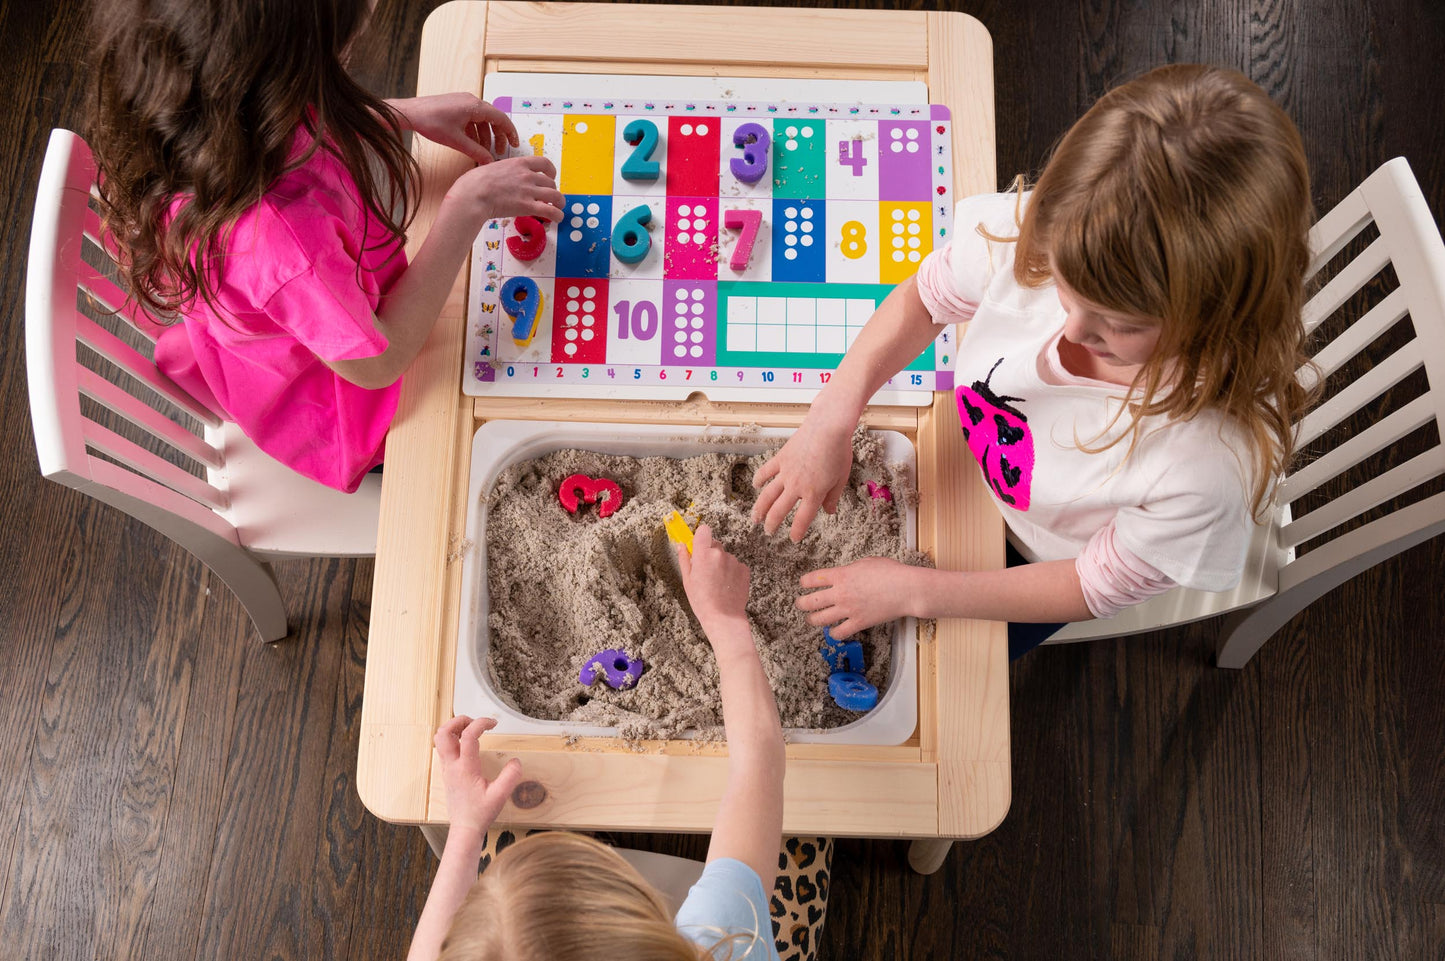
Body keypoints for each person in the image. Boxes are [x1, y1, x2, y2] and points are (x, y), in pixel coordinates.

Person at [750, 64, 1316, 657]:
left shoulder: (1209, 467)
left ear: (1215, 319)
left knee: (964, 693)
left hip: (1043, 560)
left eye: (1118, 326)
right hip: (968, 466)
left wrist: (913, 590)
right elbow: (925, 297)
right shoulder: (1061, 230)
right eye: (1064, 290)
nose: (1070, 331)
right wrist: (832, 413)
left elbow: (1089, 585)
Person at [86, 0, 563, 491]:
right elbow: (380, 363)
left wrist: (398, 115)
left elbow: (297, 124)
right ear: (284, 68)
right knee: (496, 419)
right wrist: (467, 207)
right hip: (347, 405)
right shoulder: (283, 244)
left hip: (312, 319)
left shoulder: (204, 121)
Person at [408, 525, 787, 961]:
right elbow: (759, 762)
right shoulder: (725, 938)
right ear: (649, 911)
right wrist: (727, 622)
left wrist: (466, 830)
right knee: (799, 850)